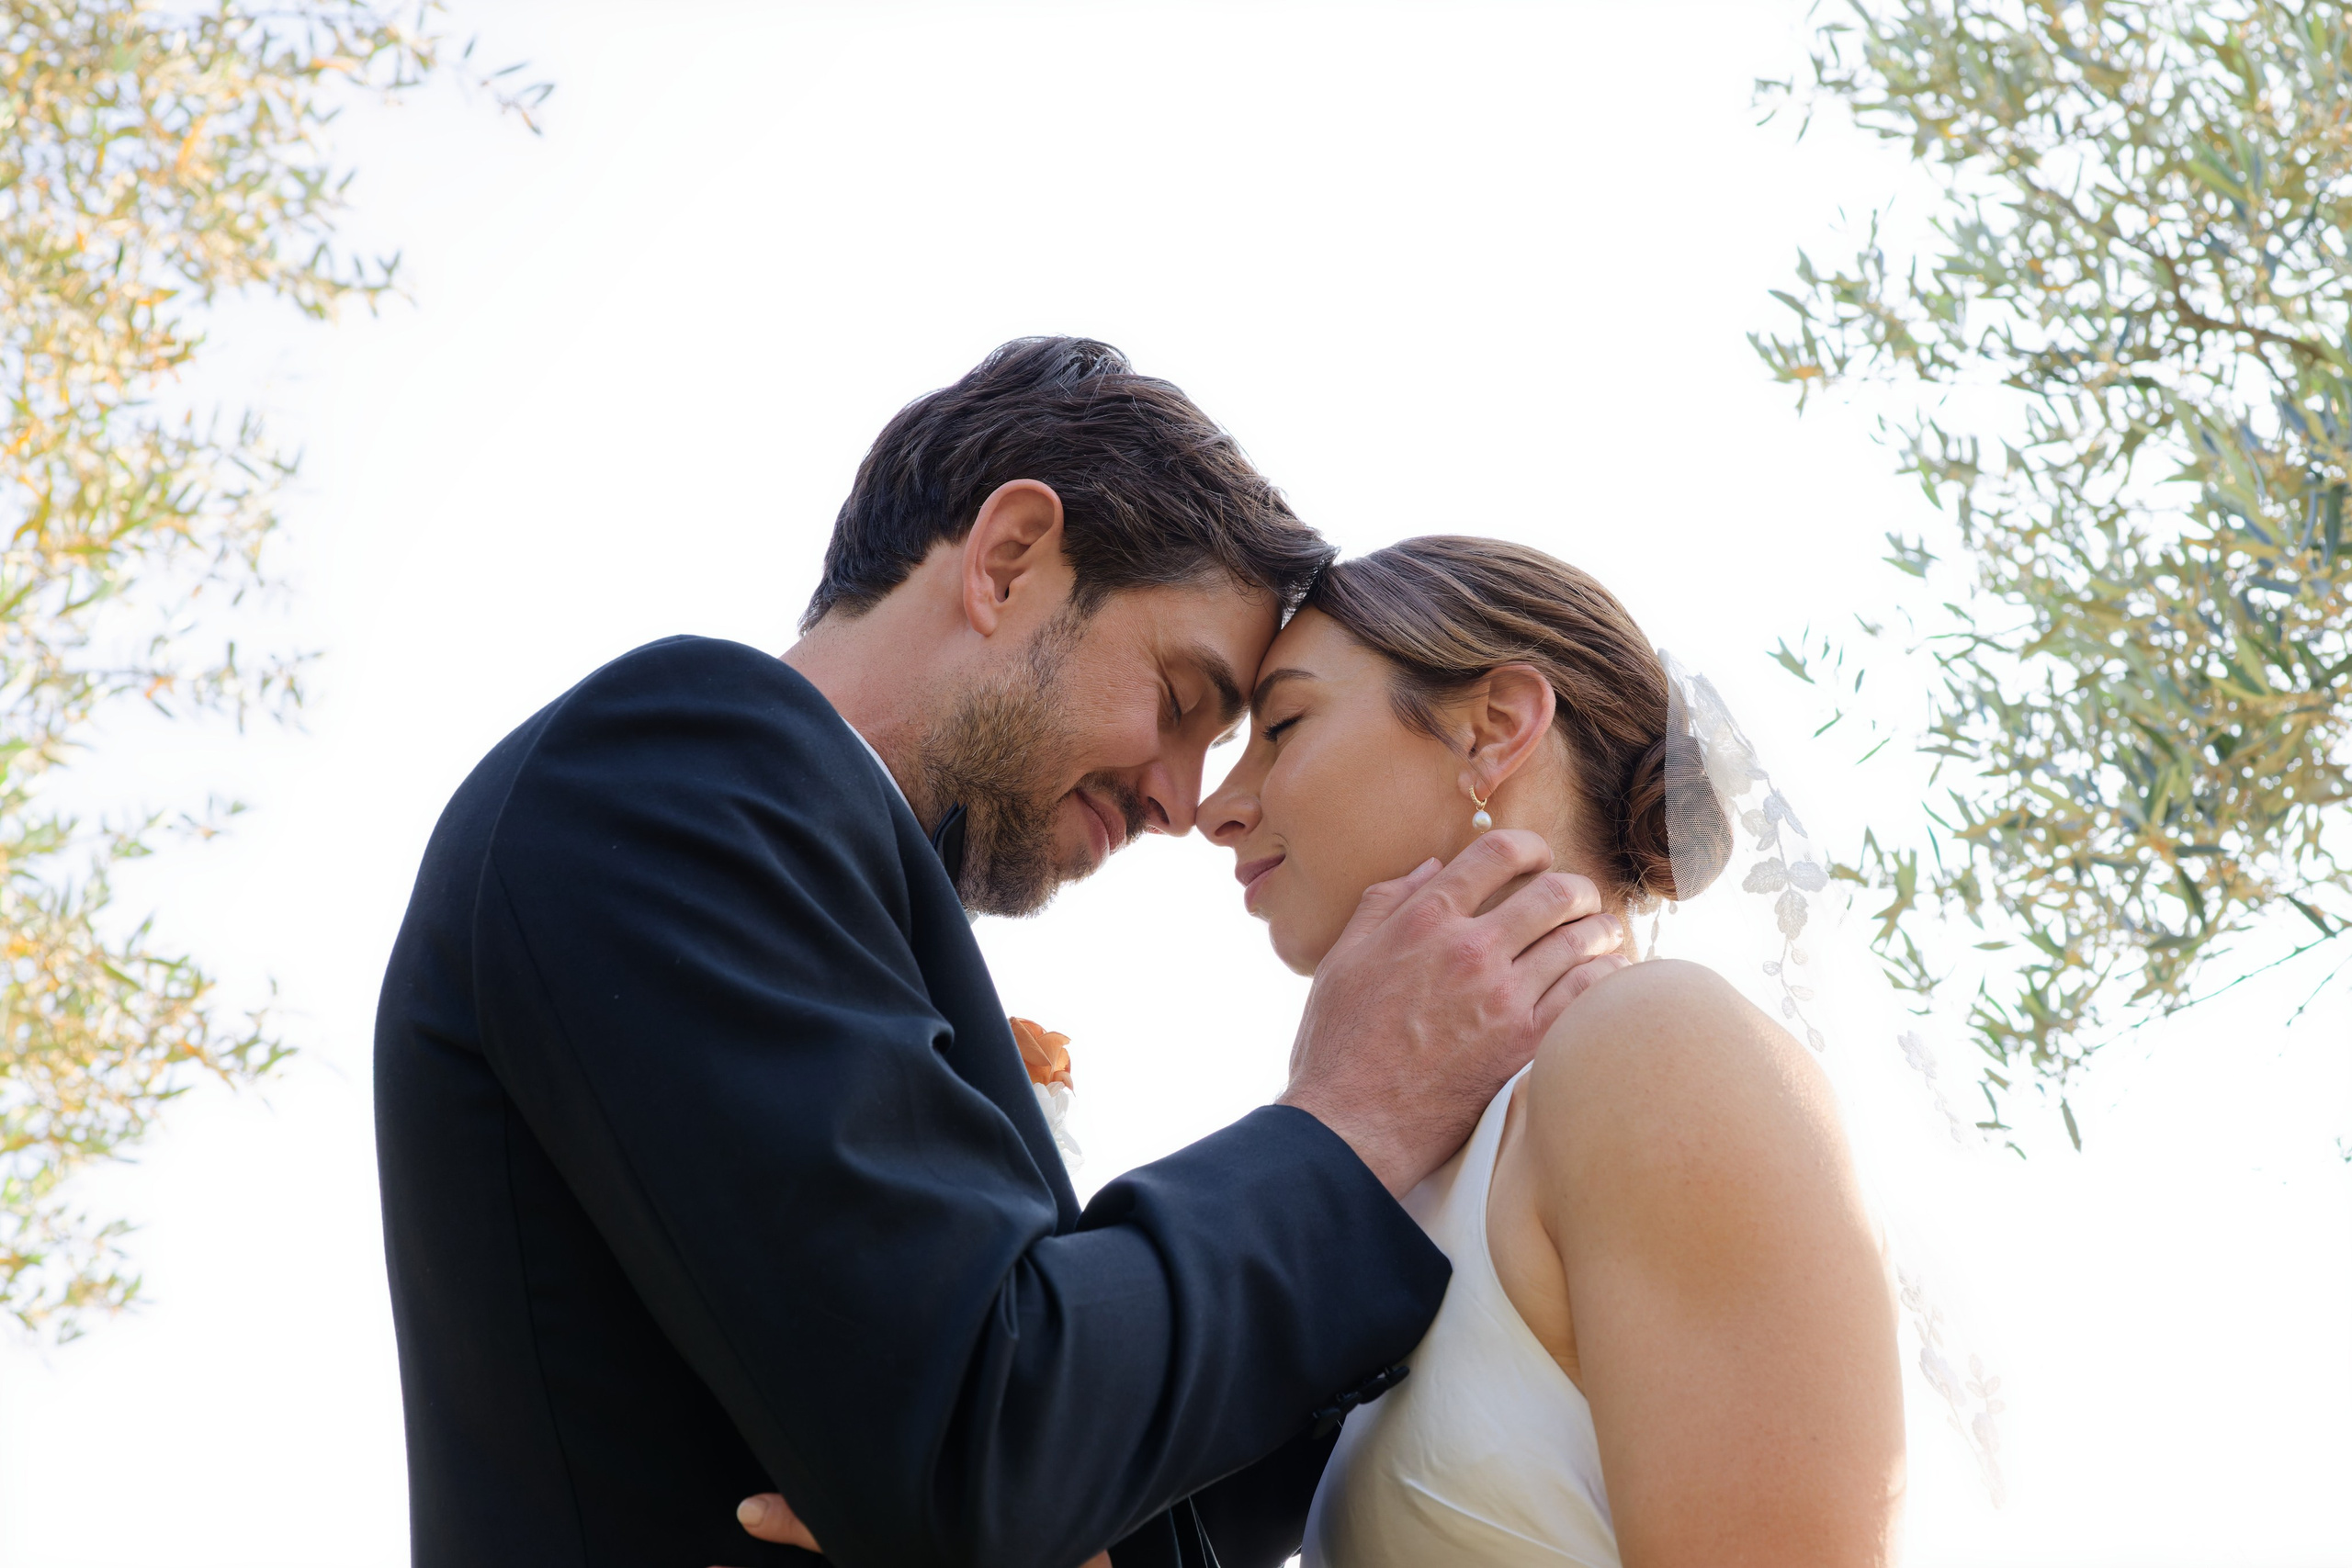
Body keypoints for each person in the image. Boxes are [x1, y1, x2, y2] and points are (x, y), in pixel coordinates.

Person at [374, 342, 1625, 1568]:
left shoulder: (821, 891)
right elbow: (983, 1442)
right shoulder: (679, 764)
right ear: (1012, 558)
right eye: (1183, 699)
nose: (1183, 800)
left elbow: (1081, 1487)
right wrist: (1351, 1115)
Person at [1212, 537, 1905, 1566]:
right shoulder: (1403, 1175)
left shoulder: (1655, 1053)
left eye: (1282, 726)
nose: (1213, 807)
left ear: (1493, 731)